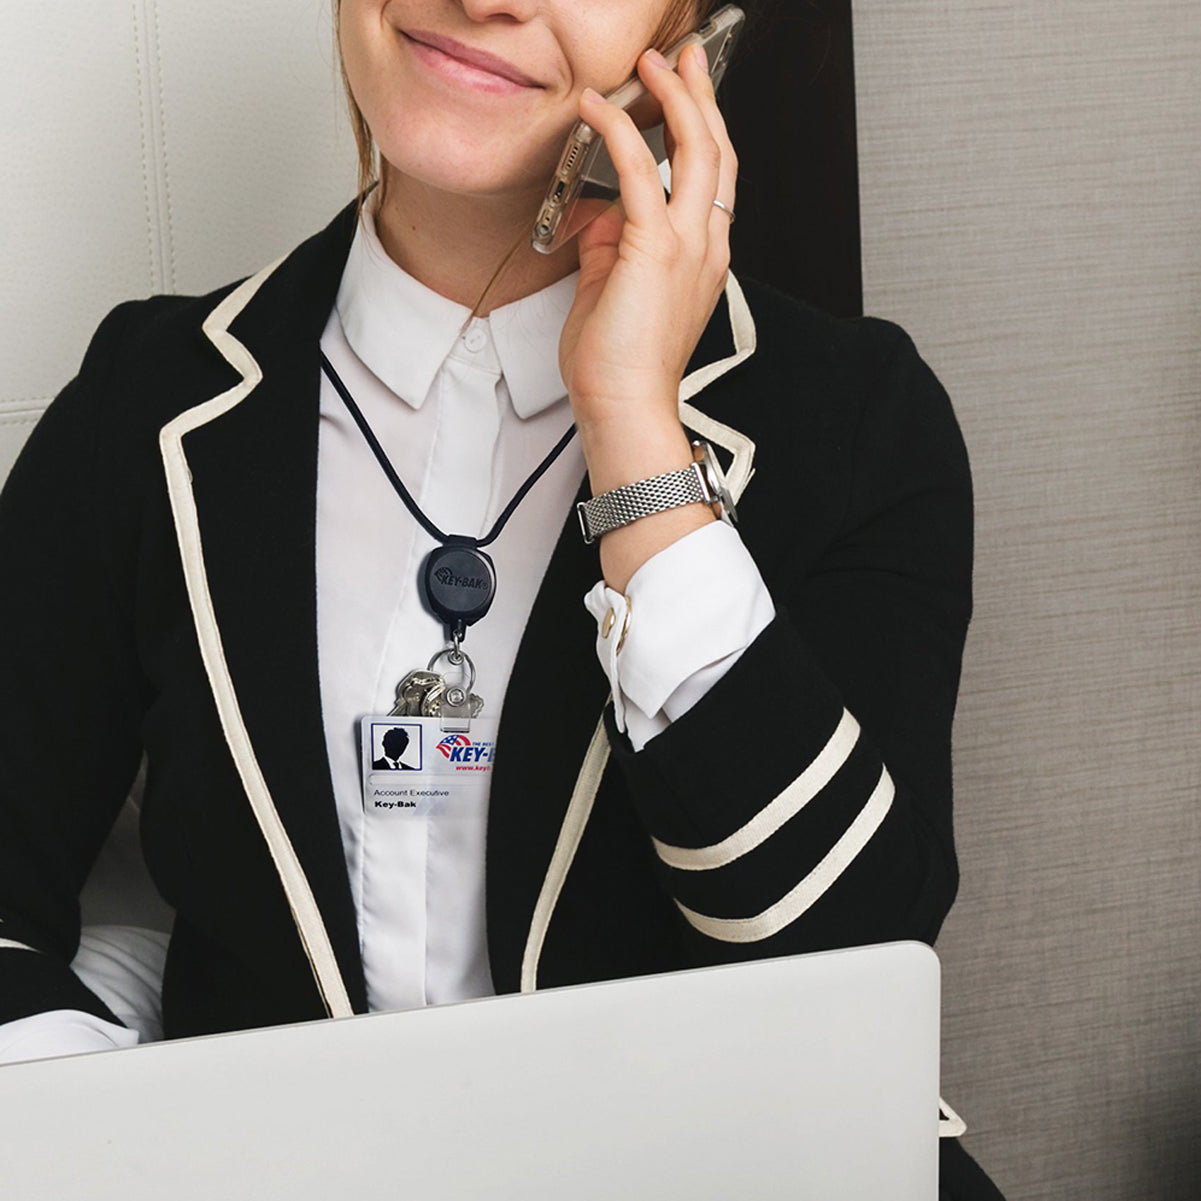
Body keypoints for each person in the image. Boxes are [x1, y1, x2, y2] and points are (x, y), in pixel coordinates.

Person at [0, 1, 1002, 1195]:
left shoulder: (856, 418)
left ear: (698, 30)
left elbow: (840, 960)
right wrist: (127, 1141)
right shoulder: (145, 403)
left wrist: (634, 430)